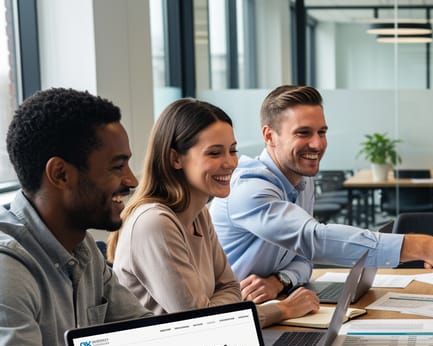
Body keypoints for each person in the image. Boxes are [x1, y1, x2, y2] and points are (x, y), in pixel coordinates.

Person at [0, 88, 151, 346]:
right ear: (61, 174)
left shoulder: (80, 244)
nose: (132, 180)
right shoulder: (6, 273)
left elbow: (149, 343)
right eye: (117, 167)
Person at [209, 85, 433, 305]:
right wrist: (423, 247)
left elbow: (303, 259)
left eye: (322, 132)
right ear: (269, 136)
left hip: (271, 304)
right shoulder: (248, 187)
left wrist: (280, 280)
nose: (317, 144)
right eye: (303, 133)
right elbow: (312, 240)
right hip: (228, 319)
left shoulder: (301, 181)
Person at [107, 99, 319, 327]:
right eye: (215, 153)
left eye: (232, 150)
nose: (230, 163)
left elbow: (230, 288)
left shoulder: (199, 214)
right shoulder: (154, 223)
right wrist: (282, 309)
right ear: (175, 158)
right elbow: (203, 323)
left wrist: (215, 308)